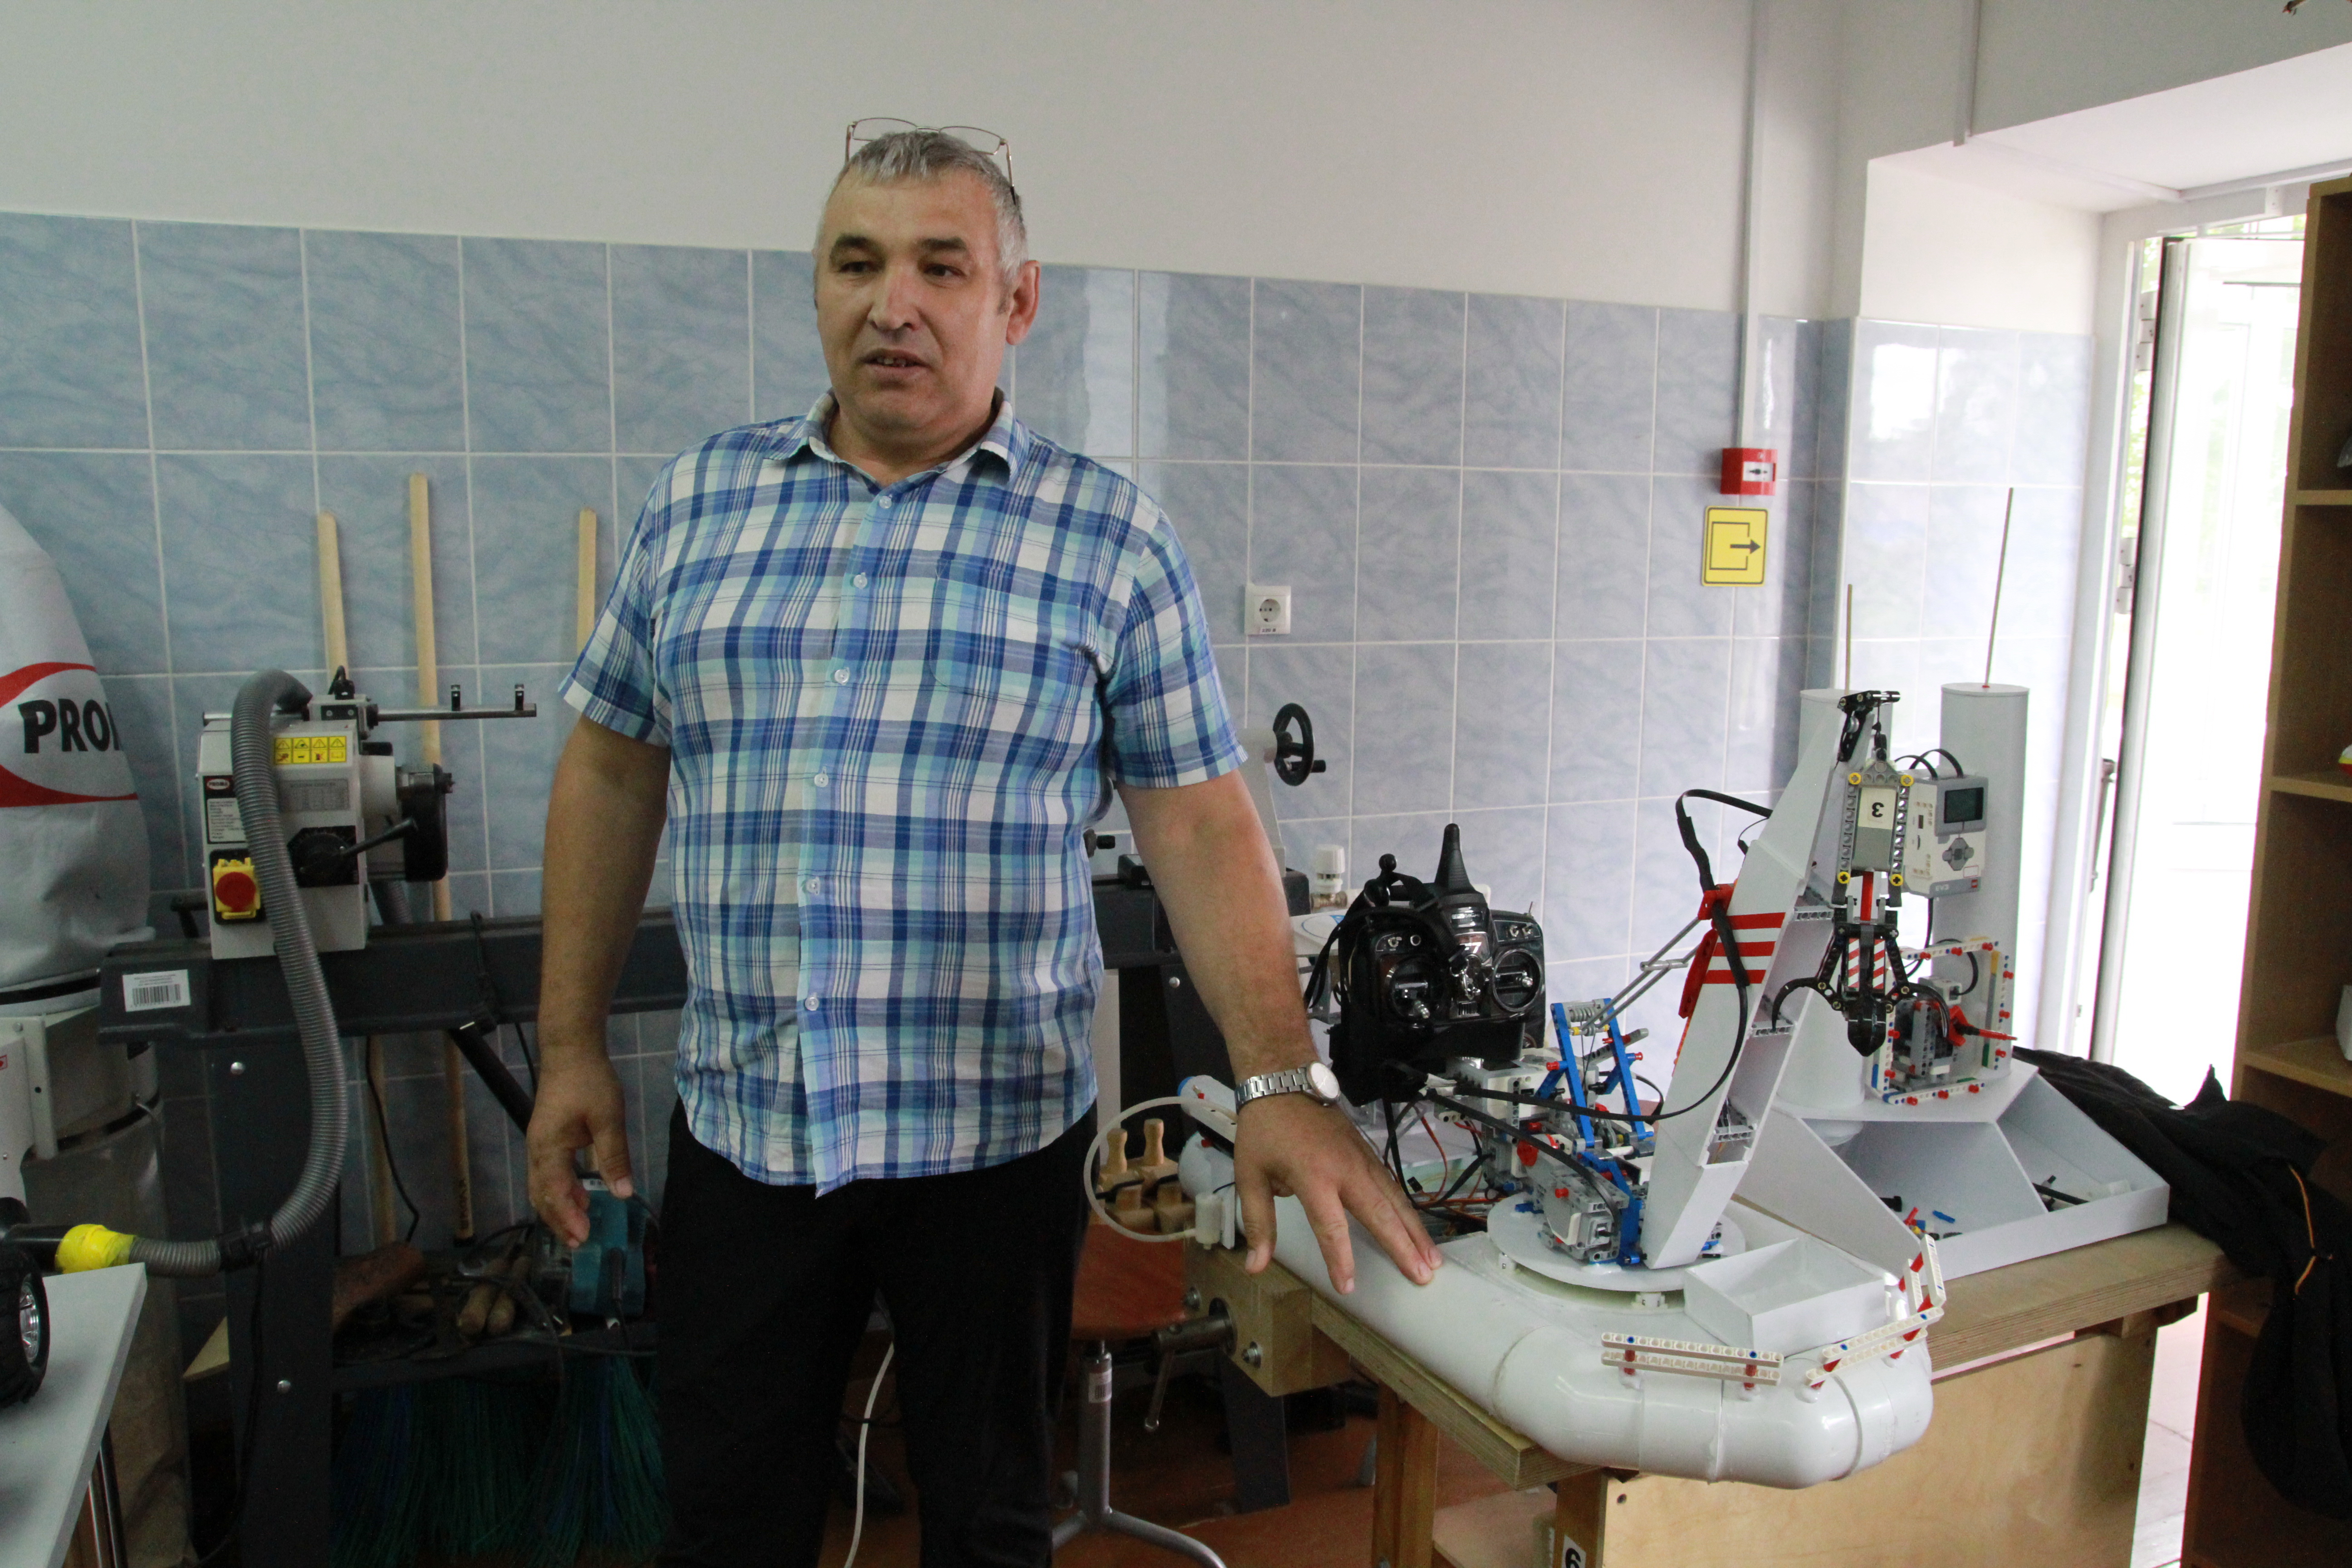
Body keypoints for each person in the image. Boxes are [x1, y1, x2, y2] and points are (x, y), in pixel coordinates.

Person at [526, 126, 1439, 1568]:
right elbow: (610, 765)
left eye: (940, 267)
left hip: (991, 1145)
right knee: (727, 1520)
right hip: (751, 1126)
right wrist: (570, 1042)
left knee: (992, 1522)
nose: (892, 304)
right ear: (816, 287)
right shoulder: (699, 505)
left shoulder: (1108, 540)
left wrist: (1279, 1077)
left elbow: (1200, 817)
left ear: (1016, 300)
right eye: (856, 263)